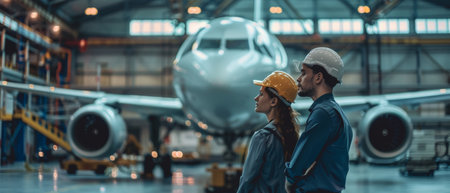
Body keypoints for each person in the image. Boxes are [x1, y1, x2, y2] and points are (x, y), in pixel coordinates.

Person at [285, 47, 353, 193]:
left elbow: (298, 164)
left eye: (303, 73)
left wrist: (288, 180)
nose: (298, 78)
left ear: (318, 77)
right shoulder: (336, 112)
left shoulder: (323, 114)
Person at [236, 71, 300, 193]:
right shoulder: (291, 135)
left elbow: (247, 179)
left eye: (261, 94)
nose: (256, 98)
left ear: (273, 101)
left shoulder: (262, 137)